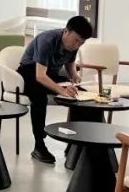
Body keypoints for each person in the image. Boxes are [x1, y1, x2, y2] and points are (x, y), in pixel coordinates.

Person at [18, 15, 93, 164]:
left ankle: (76, 144)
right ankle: (39, 145)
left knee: (81, 94)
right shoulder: (47, 40)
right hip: (28, 72)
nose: (77, 45)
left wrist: (74, 77)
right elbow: (40, 76)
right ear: (66, 31)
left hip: (49, 73)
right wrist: (62, 90)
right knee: (39, 96)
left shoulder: (74, 45)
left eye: (82, 42)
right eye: (76, 40)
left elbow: (70, 66)